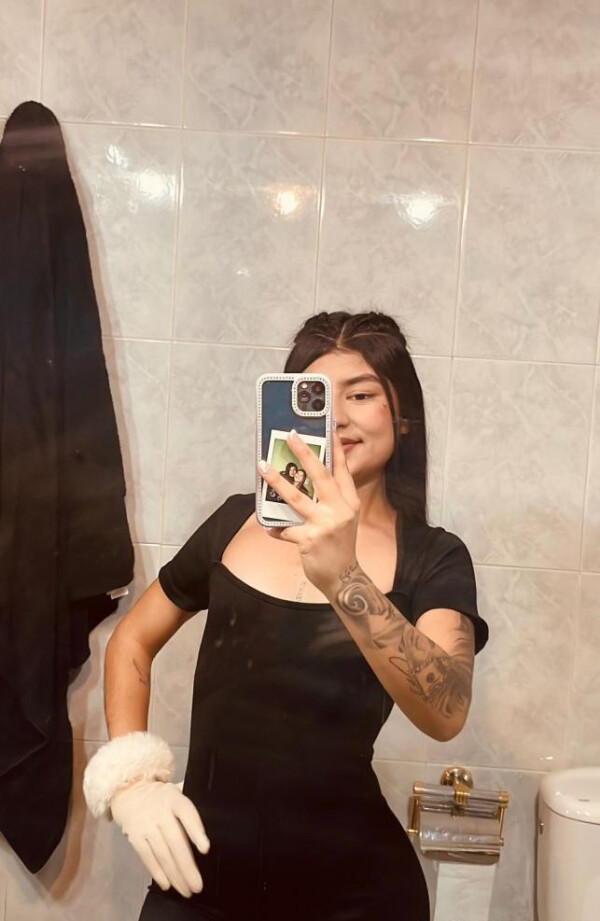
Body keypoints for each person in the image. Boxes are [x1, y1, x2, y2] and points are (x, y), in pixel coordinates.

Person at [83, 311, 489, 921]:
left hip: (356, 896)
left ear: (403, 416)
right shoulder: (233, 522)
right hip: (200, 879)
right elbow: (132, 641)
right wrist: (131, 780)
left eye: (362, 395)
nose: (339, 417)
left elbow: (447, 710)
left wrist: (344, 578)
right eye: (318, 397)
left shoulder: (434, 557)